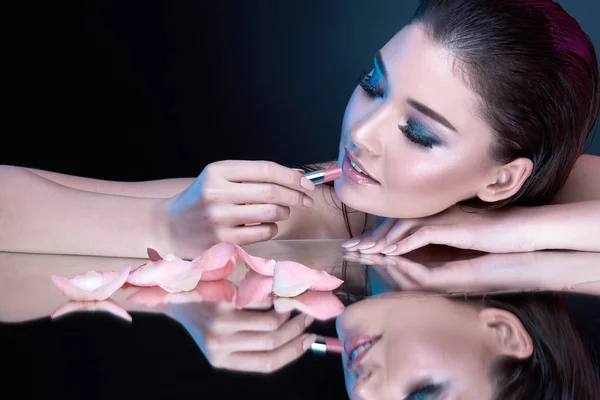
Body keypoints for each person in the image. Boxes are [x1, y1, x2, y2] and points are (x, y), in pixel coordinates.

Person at [1, 0, 600, 260]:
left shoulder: (542, 188)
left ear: (504, 179)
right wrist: (167, 225)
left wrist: (503, 230)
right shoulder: (304, 209)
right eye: (372, 83)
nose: (362, 133)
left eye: (418, 133)